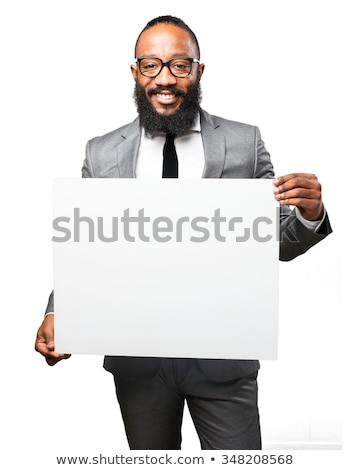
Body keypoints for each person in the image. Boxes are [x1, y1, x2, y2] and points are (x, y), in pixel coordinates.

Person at [35, 15, 332, 450]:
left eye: (179, 65)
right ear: (136, 73)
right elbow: (87, 247)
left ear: (198, 71)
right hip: (137, 357)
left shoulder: (244, 143)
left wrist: (309, 213)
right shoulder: (101, 153)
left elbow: (275, 243)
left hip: (224, 355)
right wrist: (58, 311)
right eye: (151, 65)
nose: (165, 79)